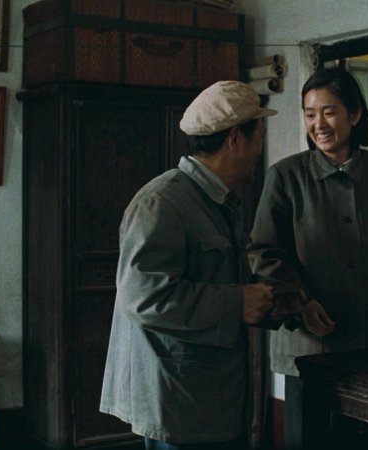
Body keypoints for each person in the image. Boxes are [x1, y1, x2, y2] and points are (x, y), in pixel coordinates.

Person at [247, 66, 368, 449]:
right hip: (313, 348)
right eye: (310, 114)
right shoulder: (285, 177)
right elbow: (264, 253)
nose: (319, 124)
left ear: (355, 114)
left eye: (329, 112)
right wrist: (301, 303)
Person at [99, 80, 277, 450]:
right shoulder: (163, 202)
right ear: (235, 139)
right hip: (181, 406)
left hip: (210, 400)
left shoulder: (215, 200)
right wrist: (237, 302)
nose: (260, 149)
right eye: (258, 137)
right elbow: (145, 298)